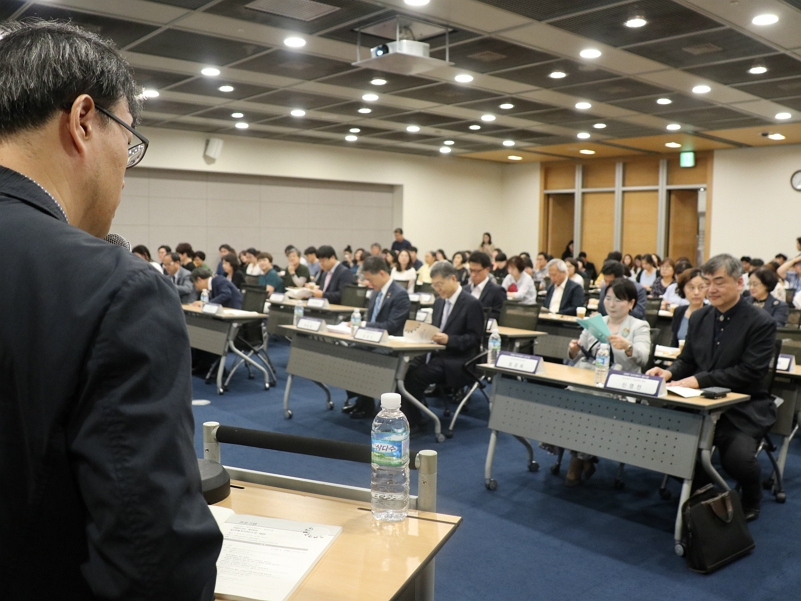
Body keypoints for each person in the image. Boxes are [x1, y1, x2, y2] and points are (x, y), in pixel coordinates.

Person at [0, 21, 221, 599]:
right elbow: (155, 567)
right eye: (129, 141)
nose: (126, 169)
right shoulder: (115, 288)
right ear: (82, 121)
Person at [647, 255, 778, 521]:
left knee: (738, 460)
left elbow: (749, 372)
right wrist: (669, 372)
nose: (711, 290)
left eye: (719, 282)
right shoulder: (700, 317)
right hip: (699, 403)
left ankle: (751, 497)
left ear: (739, 282)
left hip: (742, 405)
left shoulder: (760, 322)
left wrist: (700, 380)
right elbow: (688, 360)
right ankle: (704, 492)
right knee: (665, 443)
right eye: (707, 283)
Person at [564, 278, 651, 486]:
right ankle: (582, 456)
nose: (611, 304)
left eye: (618, 300)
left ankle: (577, 459)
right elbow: (577, 353)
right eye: (608, 298)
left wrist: (627, 346)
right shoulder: (596, 322)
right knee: (569, 396)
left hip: (622, 385)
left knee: (591, 401)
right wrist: (573, 349)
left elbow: (643, 358)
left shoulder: (639, 326)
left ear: (631, 303)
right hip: (589, 380)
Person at [402, 261, 484, 435]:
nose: (438, 289)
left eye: (440, 285)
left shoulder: (471, 303)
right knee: (402, 369)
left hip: (458, 359)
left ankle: (415, 422)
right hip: (436, 353)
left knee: (415, 377)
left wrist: (449, 340)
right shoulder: (439, 302)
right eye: (434, 286)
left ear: (453, 278)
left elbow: (474, 339)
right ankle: (410, 415)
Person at [344, 256, 411, 419]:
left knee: (369, 357)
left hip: (391, 344)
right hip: (372, 339)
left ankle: (368, 403)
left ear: (381, 273)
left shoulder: (400, 295)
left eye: (370, 279)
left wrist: (363, 325)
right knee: (350, 352)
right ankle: (363, 401)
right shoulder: (375, 293)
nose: (368, 283)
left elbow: (392, 326)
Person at [670, 268, 707, 346]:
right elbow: (674, 342)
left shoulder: (711, 313)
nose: (696, 292)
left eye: (701, 287)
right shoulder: (679, 311)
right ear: (683, 289)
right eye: (691, 287)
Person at [465, 251, 507, 320]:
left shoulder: (497, 291)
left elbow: (499, 315)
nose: (473, 274)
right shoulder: (465, 290)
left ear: (487, 270)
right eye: (471, 270)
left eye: (476, 271)